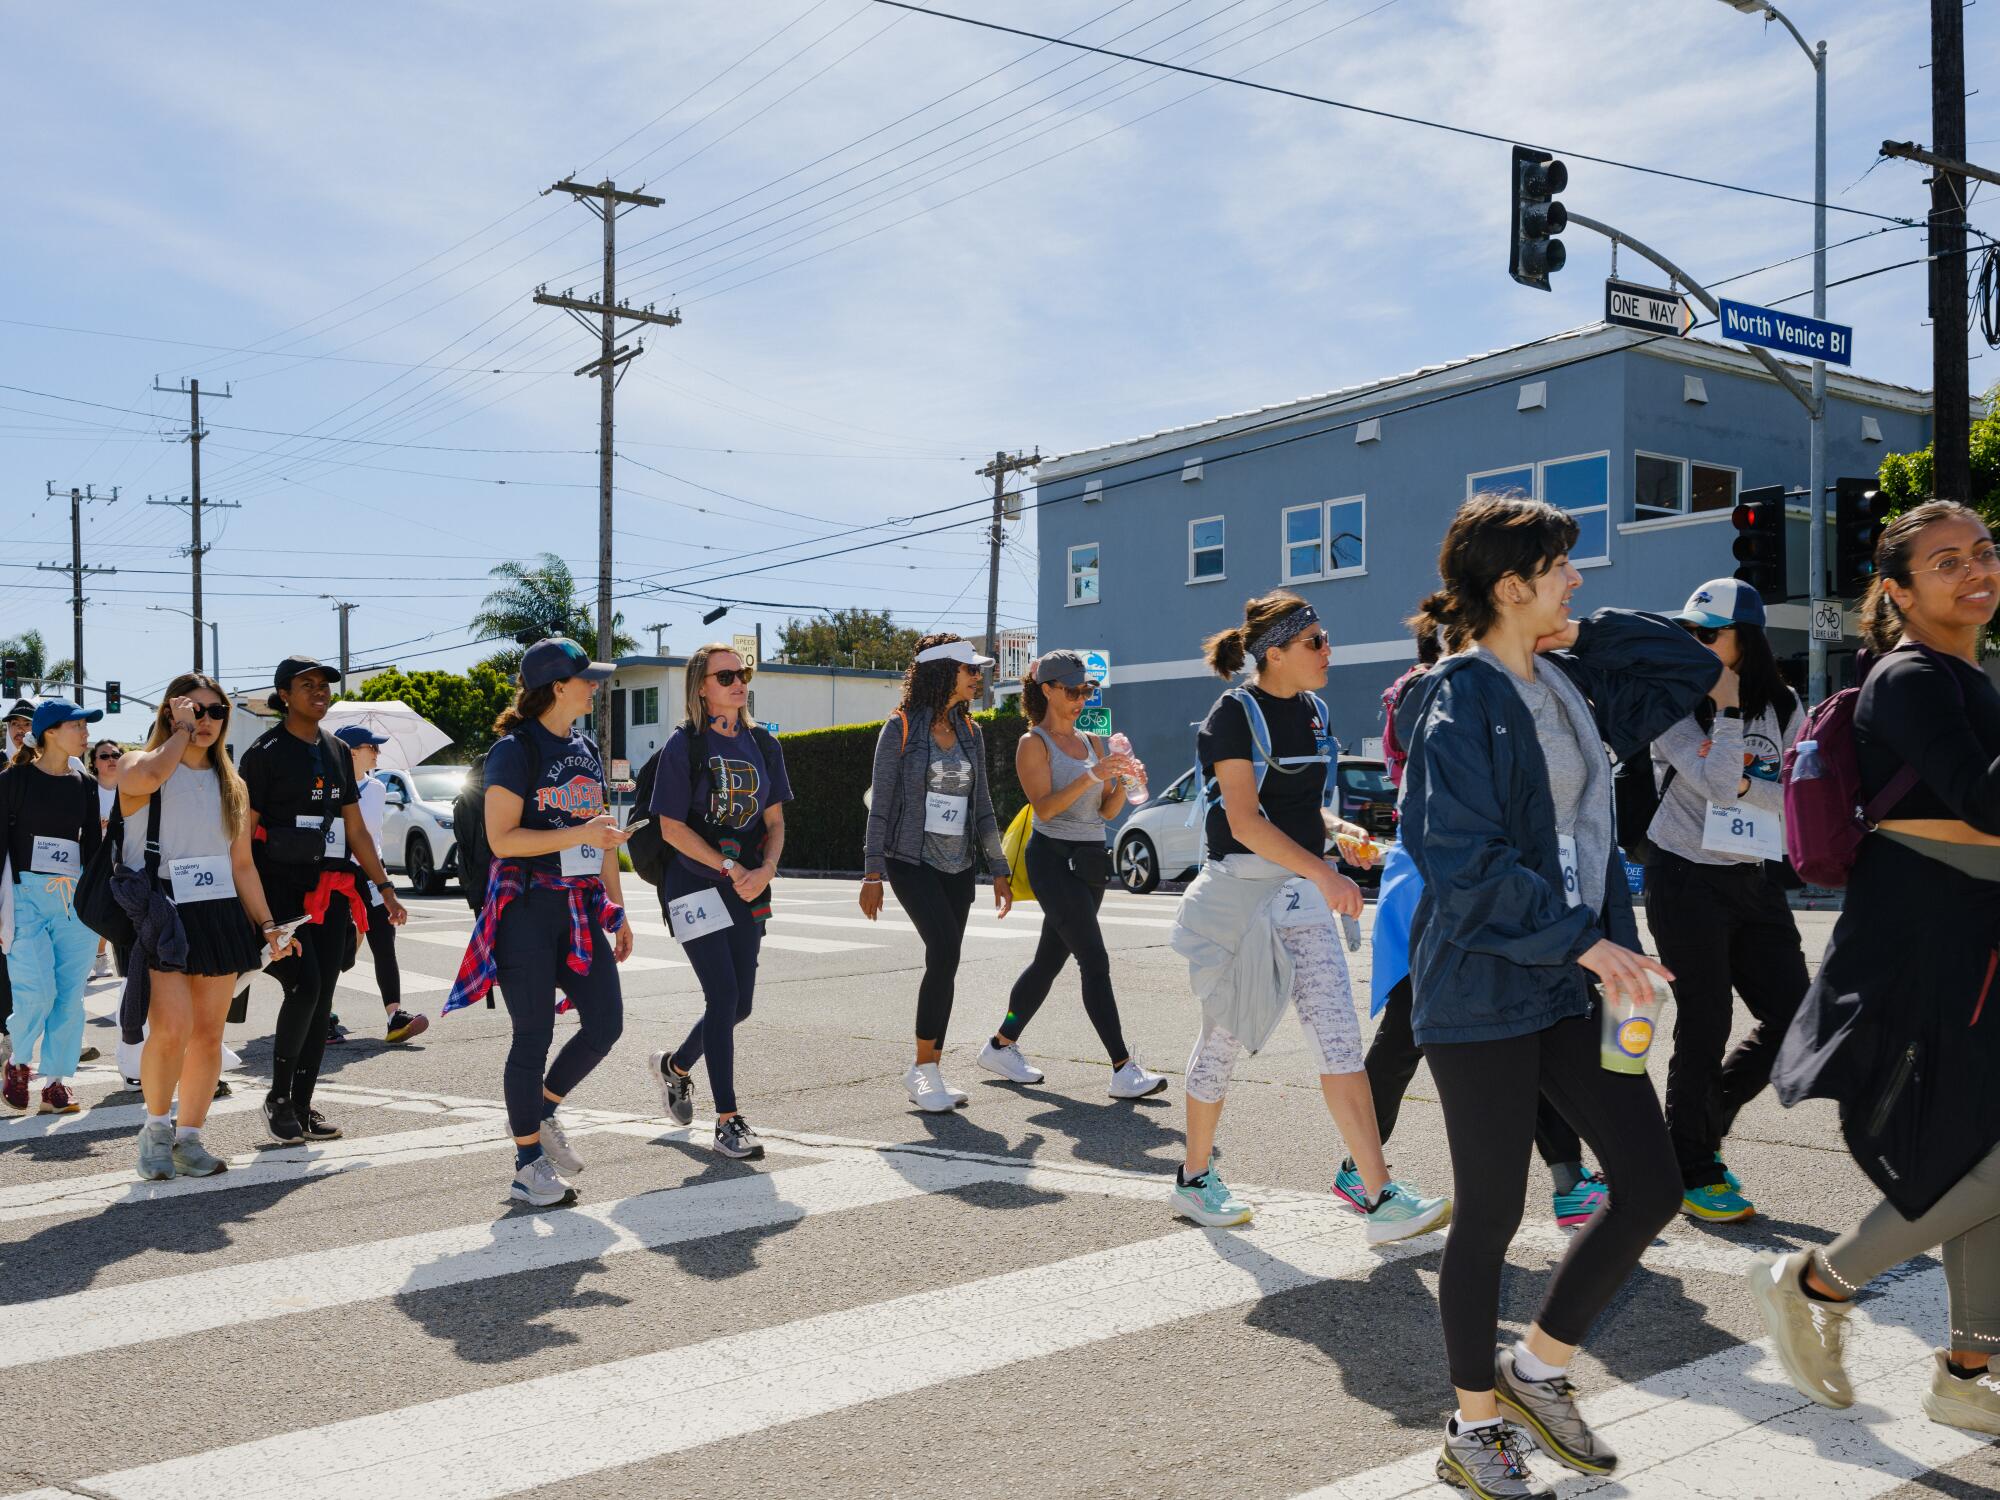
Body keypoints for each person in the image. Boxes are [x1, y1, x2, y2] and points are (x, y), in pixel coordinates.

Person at [1397, 494, 1717, 1497]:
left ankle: (1534, 1370)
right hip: (1487, 984)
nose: (1576, 578)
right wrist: (1583, 942)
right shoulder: (1457, 696)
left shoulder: (1570, 681)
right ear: (1508, 586)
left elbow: (1692, 668)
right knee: (1489, 1213)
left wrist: (1589, 628)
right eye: (1559, 568)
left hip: (1574, 981)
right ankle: (1472, 1427)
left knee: (1650, 1184)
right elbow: (1459, 855)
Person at [1758, 500, 2000, 1438]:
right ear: (1897, 592)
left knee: (1975, 1149)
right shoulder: (1907, 677)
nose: (1975, 569)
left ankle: (1966, 1374)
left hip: (1972, 931)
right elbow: (1984, 799)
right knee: (1978, 1156)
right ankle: (1817, 1279)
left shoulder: (1973, 678)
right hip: (1926, 935)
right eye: (1946, 562)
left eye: (1983, 551)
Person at [1169, 589, 1449, 1246]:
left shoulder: (1317, 713)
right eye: (1315, 642)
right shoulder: (1232, 715)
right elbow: (1242, 820)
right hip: (1241, 897)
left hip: (1298, 895)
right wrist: (1324, 870)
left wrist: (1337, 832)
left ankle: (1380, 1195)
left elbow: (1294, 810)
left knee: (1340, 1043)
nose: (1329, 650)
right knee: (1221, 1041)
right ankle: (1195, 1177)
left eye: (1325, 639)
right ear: (1276, 653)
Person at [1359, 625, 1606, 1230]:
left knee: (1536, 1019)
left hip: (1508, 881)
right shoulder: (1437, 692)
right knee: (1407, 1027)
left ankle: (1567, 1177)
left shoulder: (1513, 686)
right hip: (1441, 880)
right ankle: (1361, 1156)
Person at [444, 638, 632, 1208]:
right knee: (532, 1033)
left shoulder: (585, 748)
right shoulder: (514, 749)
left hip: (577, 906)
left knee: (605, 1023)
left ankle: (543, 1108)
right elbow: (503, 839)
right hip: (524, 907)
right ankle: (528, 1163)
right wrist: (580, 833)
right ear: (557, 687)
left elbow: (599, 836)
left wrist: (618, 908)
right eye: (586, 678)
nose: (594, 686)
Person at [1645, 578, 1806, 1224]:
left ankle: (1701, 1128)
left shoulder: (1786, 702)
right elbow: (1717, 787)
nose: (1696, 642)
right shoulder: (1669, 702)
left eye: (1707, 632)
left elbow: (1792, 792)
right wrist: (1733, 722)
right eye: (1690, 631)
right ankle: (1690, 1166)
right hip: (1684, 877)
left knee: (1796, 1016)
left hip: (1754, 879)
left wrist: (1746, 778)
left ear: (1746, 639)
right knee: (1706, 1020)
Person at [115, 676, 294, 1179]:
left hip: (216, 911)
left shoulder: (232, 784)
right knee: (171, 1028)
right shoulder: (138, 763)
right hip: (161, 909)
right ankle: (154, 1130)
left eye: (216, 712)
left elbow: (242, 866)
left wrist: (268, 925)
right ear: (171, 712)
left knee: (209, 1034)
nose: (206, 721)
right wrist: (179, 731)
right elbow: (147, 777)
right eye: (196, 710)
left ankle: (189, 1138)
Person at [978, 649, 1166, 1099]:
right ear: (1046, 690)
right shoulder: (1033, 744)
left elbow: (1106, 810)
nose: (1081, 698)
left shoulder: (1094, 742)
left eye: (1086, 690)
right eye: (1072, 690)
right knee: (1093, 959)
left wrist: (1121, 780)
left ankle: (1001, 1043)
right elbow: (1044, 807)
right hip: (1050, 859)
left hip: (1089, 860)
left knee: (1049, 962)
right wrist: (1090, 775)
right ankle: (1122, 1067)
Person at [239, 657, 408, 1146]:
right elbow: (246, 836)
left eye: (324, 685)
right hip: (281, 889)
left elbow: (354, 827)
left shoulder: (336, 750)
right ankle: (277, 1097)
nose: (318, 692)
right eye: (306, 685)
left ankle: (302, 1103)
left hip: (333, 886)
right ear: (284, 695)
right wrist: (257, 911)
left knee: (324, 994)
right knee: (306, 986)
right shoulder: (264, 753)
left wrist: (385, 889)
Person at [645, 644, 789, 1160]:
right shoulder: (684, 746)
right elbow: (671, 828)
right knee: (722, 995)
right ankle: (728, 1121)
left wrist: (765, 870)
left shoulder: (764, 745)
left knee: (740, 1006)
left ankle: (675, 1066)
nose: (737, 681)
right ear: (701, 687)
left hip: (749, 884)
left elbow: (775, 824)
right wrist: (728, 867)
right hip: (694, 884)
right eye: (725, 674)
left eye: (742, 673)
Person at [860, 633, 1014, 1113]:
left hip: (959, 865)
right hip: (913, 862)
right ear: (944, 672)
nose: (978, 677)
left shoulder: (972, 731)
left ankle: (932, 1068)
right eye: (970, 670)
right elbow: (880, 806)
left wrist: (999, 868)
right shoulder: (901, 727)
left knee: (945, 963)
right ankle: (922, 1071)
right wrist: (872, 873)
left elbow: (983, 805)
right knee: (944, 951)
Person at [0, 702, 104, 1113]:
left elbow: (93, 849)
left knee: (68, 998)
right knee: (36, 992)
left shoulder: (85, 783)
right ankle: (20, 1061)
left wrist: (96, 902)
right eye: (77, 726)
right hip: (25, 897)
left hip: (74, 901)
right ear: (50, 732)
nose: (84, 733)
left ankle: (56, 1083)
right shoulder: (13, 780)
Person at [334, 724, 428, 1046]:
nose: (376, 752)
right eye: (370, 746)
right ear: (351, 753)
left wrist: (385, 885)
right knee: (336, 948)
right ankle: (321, 1016)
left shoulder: (375, 788)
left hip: (371, 876)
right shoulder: (330, 788)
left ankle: (394, 1017)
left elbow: (370, 838)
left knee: (384, 941)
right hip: (337, 876)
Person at [0, 699, 31, 1061]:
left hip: (41, 877)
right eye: (15, 724)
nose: (21, 729)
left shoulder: (54, 766)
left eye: (27, 724)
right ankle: (8, 1033)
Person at [89, 737, 124, 980]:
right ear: (94, 763)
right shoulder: (86, 789)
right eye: (104, 756)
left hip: (123, 860)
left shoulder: (131, 788)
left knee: (119, 912)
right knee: (95, 910)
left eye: (116, 755)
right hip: (92, 860)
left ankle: (109, 959)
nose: (111, 759)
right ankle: (97, 957)